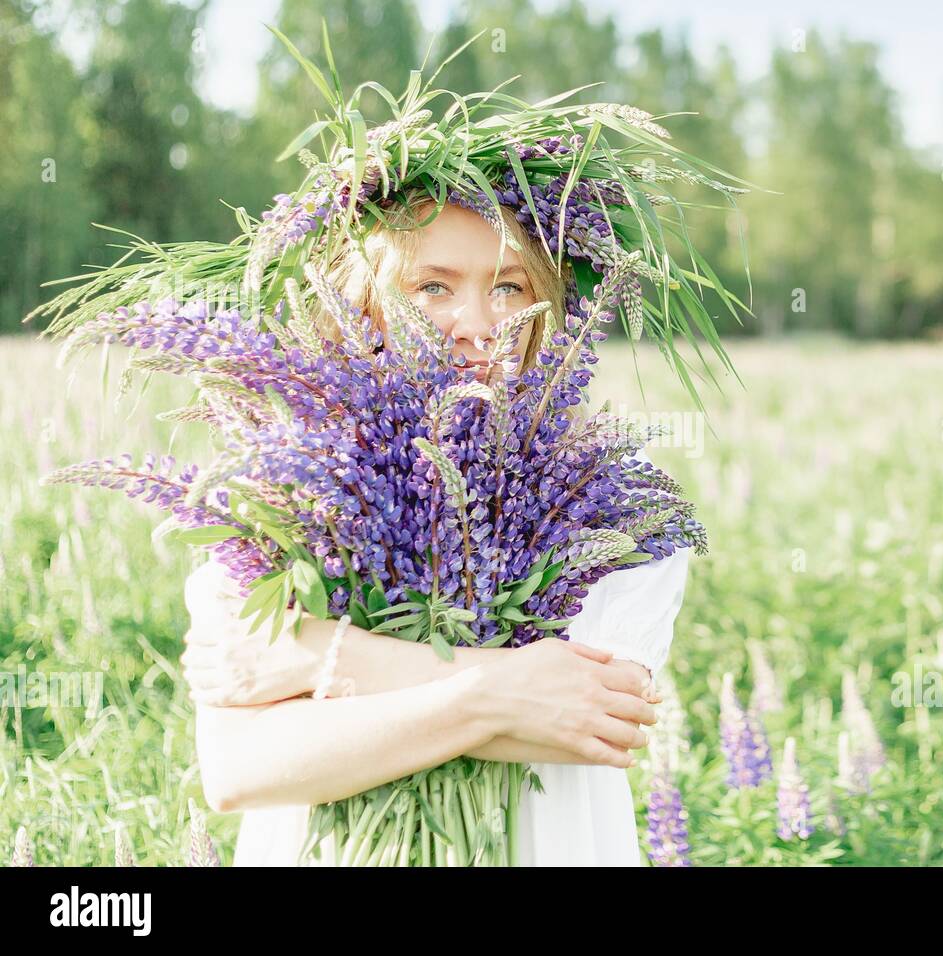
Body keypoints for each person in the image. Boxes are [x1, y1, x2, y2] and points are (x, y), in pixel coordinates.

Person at [181, 195, 692, 866]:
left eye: (509, 286)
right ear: (360, 302)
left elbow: (598, 720)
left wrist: (324, 657)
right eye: (432, 286)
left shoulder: (612, 490)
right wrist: (502, 692)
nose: (476, 323)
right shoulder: (284, 477)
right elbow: (241, 770)